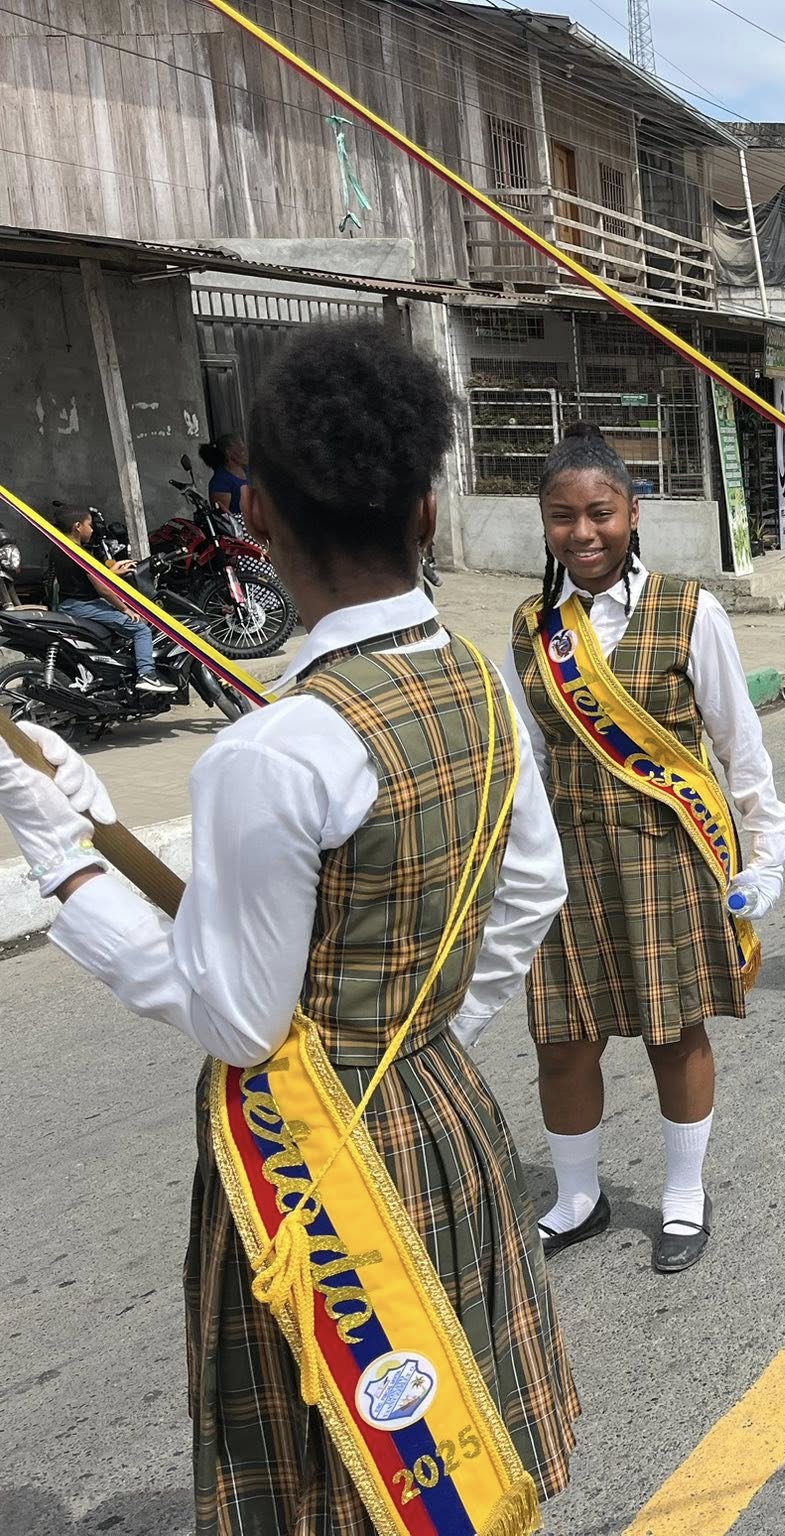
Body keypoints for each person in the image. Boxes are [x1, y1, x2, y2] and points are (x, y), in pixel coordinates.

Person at [1, 320, 579, 1529]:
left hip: (312, 1155)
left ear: (255, 515)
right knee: (453, 1449)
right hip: (440, 1103)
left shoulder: (270, 751)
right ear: (427, 513)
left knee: (338, 1480)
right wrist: (422, 1027)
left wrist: (64, 868)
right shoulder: (482, 679)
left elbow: (235, 1017)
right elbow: (533, 890)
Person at [509, 422, 785, 1275]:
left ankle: (682, 1195)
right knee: (563, 1038)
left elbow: (739, 744)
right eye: (563, 517)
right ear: (545, 522)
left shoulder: (689, 610)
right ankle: (578, 1198)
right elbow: (531, 761)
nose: (583, 533)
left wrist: (764, 854)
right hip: (569, 865)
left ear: (633, 513)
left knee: (673, 1031)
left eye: (599, 512)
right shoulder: (533, 626)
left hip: (667, 854)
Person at [51, 506, 175, 692]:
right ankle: (147, 675)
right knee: (141, 629)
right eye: (89, 525)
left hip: (68, 604)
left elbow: (82, 578)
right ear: (77, 526)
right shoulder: (81, 553)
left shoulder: (58, 549)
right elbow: (104, 590)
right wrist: (125, 609)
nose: (91, 530)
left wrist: (110, 572)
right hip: (86, 605)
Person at [199, 434, 250, 534]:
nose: (246, 451)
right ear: (228, 452)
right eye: (241, 448)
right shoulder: (221, 481)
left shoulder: (248, 471)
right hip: (242, 533)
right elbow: (224, 519)